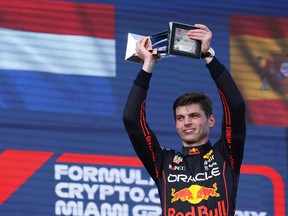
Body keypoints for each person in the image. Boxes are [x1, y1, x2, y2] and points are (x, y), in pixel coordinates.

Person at [123, 24, 246, 216]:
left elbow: (236, 107)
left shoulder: (226, 155)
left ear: (211, 120)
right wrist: (147, 66)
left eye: (194, 116)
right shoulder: (163, 162)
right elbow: (131, 119)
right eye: (180, 118)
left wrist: (208, 56)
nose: (186, 122)